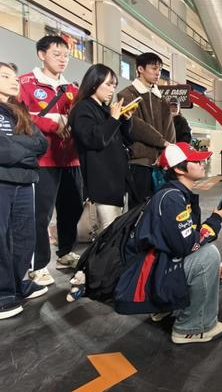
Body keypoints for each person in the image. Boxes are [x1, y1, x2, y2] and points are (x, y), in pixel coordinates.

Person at [115, 142, 222, 345]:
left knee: (212, 262)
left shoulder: (174, 194)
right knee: (209, 255)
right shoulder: (172, 199)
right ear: (179, 169)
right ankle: (191, 328)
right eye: (196, 161)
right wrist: (215, 221)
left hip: (157, 269)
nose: (202, 163)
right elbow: (187, 246)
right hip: (152, 276)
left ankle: (164, 308)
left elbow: (183, 242)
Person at [19, 35, 84, 285]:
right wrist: (52, 124)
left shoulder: (72, 90)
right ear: (41, 54)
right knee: (41, 215)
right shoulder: (25, 83)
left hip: (71, 160)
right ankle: (38, 265)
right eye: (57, 54)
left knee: (72, 209)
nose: (63, 59)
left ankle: (65, 252)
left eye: (66, 55)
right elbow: (20, 116)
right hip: (43, 159)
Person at [0, 62, 49, 319]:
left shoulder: (19, 110)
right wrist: (25, 152)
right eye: (5, 76)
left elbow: (41, 143)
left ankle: (19, 282)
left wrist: (17, 149)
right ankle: (2, 292)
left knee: (24, 235)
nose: (14, 80)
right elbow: (3, 149)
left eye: (15, 76)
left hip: (24, 180)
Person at [68, 64, 132, 232]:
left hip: (116, 182)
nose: (112, 89)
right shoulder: (83, 108)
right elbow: (96, 139)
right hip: (103, 184)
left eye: (114, 85)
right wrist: (113, 119)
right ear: (94, 83)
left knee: (116, 232)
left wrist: (125, 120)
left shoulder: (105, 109)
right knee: (109, 234)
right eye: (108, 84)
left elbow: (127, 140)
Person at [117, 52, 175, 207]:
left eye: (160, 69)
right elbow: (136, 126)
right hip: (140, 162)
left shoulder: (161, 98)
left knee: (162, 207)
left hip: (162, 163)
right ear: (140, 69)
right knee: (139, 209)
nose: (158, 73)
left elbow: (170, 128)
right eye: (154, 68)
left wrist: (166, 153)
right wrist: (162, 142)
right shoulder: (126, 94)